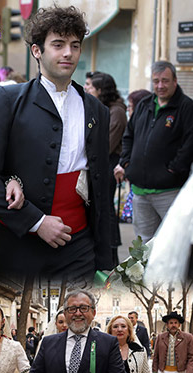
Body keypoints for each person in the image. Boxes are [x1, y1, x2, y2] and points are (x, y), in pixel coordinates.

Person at [0, 5, 112, 281]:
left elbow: (101, 184)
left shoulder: (96, 110)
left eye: (74, 45)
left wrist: (102, 255)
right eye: (58, 45)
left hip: (79, 246)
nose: (68, 53)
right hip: (20, 243)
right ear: (37, 51)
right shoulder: (9, 100)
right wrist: (36, 222)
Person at [114, 60, 193, 244]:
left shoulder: (186, 107)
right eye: (156, 81)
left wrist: (173, 170)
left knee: (173, 244)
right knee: (143, 245)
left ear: (175, 80)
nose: (160, 86)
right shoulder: (143, 105)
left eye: (165, 81)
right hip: (140, 192)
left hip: (169, 192)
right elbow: (128, 136)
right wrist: (127, 162)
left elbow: (190, 144)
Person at [85, 71, 127, 266]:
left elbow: (107, 144)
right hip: (100, 162)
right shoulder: (99, 107)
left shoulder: (116, 111)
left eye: (90, 86)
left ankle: (111, 252)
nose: (86, 88)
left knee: (107, 209)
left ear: (101, 90)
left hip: (109, 163)